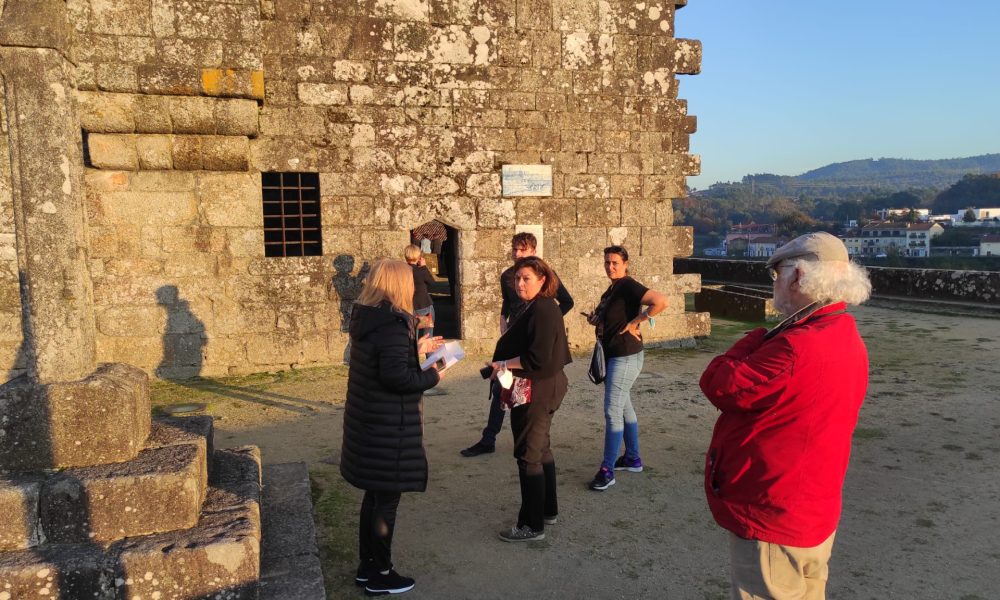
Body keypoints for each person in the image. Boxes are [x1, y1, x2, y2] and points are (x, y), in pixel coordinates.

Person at [699, 232, 871, 600]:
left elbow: (720, 384)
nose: (774, 283)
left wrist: (754, 339)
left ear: (798, 277)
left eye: (776, 274)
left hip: (774, 512)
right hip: (814, 506)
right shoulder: (844, 333)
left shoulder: (796, 345)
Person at [340, 259, 445, 596]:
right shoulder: (392, 325)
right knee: (385, 502)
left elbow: (385, 362)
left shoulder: (371, 318)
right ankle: (381, 574)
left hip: (370, 425)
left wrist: (418, 348)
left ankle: (367, 567)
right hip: (388, 429)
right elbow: (397, 377)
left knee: (374, 497)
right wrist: (434, 374)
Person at [461, 232, 574, 457]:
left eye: (523, 249)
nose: (517, 253)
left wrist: (542, 326)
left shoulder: (544, 276)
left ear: (533, 251)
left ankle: (532, 442)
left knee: (523, 395)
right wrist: (503, 318)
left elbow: (567, 302)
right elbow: (507, 301)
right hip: (513, 340)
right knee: (500, 386)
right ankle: (489, 438)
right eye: (514, 249)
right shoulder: (507, 276)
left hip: (531, 345)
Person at [487, 256, 571, 541]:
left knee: (528, 455)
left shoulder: (543, 309)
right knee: (541, 449)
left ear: (543, 280)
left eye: (526, 278)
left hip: (537, 389)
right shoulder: (537, 306)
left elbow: (537, 357)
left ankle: (531, 525)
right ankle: (547, 510)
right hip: (541, 385)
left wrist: (503, 364)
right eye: (517, 278)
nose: (520, 284)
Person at [586, 245, 668, 491]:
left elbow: (660, 301)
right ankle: (632, 458)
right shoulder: (612, 290)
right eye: (607, 262)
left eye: (615, 263)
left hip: (625, 356)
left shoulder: (628, 285)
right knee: (623, 407)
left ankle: (607, 470)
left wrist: (637, 321)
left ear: (625, 264)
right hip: (615, 355)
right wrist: (596, 320)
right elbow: (612, 319)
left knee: (612, 411)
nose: (610, 267)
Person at [404, 244, 436, 338]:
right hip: (423, 304)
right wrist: (424, 267)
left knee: (413, 333)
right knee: (428, 333)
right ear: (418, 257)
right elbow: (432, 282)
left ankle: (414, 347)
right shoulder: (420, 271)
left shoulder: (402, 270)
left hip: (408, 305)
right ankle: (427, 346)